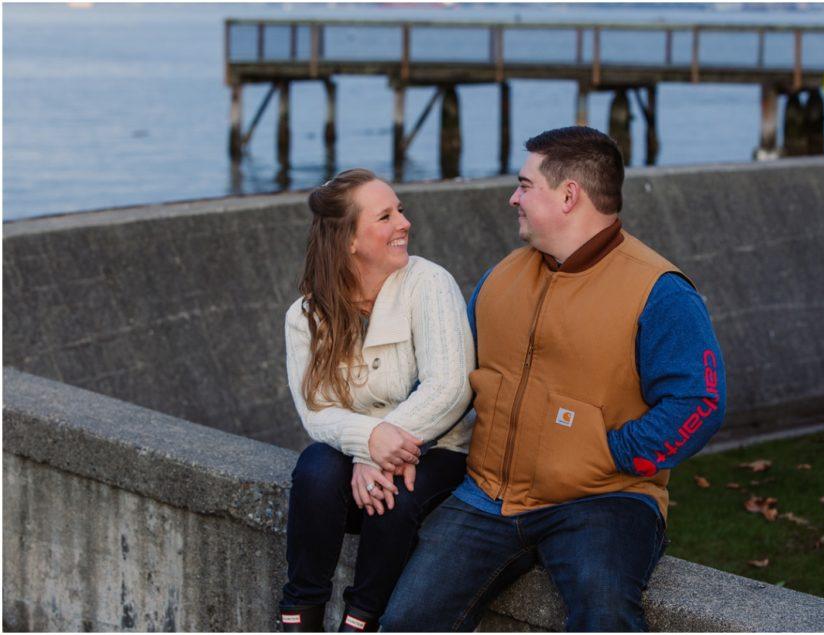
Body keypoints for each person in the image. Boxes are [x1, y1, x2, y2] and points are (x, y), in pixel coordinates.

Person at [381, 126, 726, 632]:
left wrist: (610, 455)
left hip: (605, 499)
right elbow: (448, 379)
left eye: (524, 184)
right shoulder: (503, 277)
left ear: (568, 195)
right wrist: (382, 442)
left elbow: (699, 402)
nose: (512, 197)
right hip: (487, 495)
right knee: (407, 622)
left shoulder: (660, 291)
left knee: (605, 617)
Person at [279, 169, 475, 632]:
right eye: (385, 216)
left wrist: (377, 452)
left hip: (436, 453)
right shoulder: (305, 316)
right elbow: (316, 411)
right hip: (356, 461)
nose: (404, 223)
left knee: (398, 495)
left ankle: (361, 619)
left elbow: (450, 389)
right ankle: (298, 615)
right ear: (348, 240)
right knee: (314, 468)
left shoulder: (429, 283)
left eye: (400, 210)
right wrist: (370, 443)